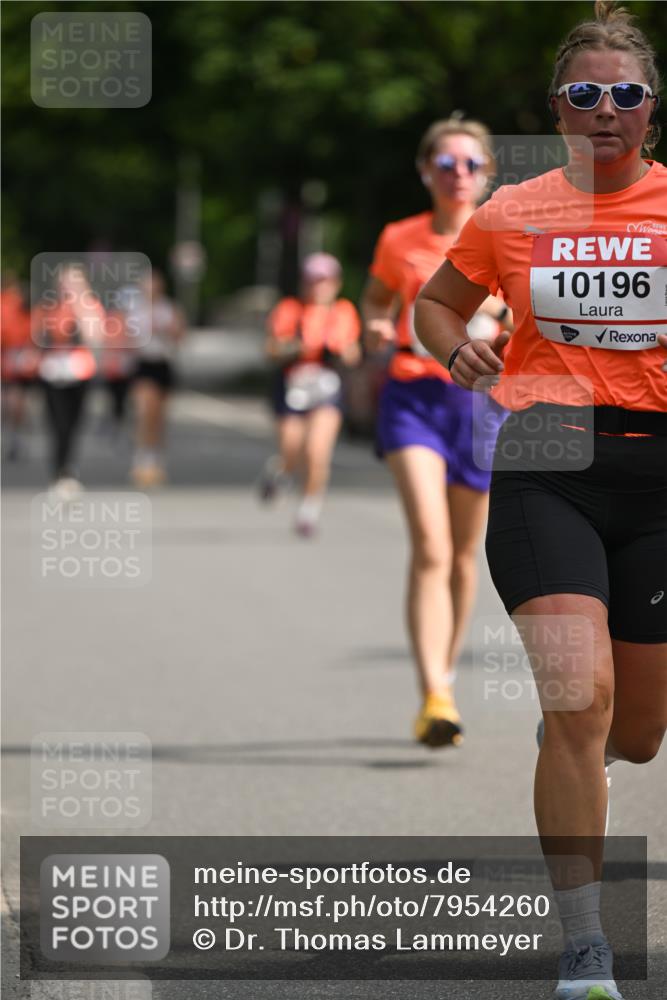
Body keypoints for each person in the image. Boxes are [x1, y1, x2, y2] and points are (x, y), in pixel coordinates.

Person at [415, 4, 666, 998]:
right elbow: (435, 301)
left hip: (662, 477)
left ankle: (578, 744)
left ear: (650, 108)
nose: (605, 111)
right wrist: (455, 345)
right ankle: (585, 944)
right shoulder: (513, 213)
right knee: (579, 698)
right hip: (548, 456)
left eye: (626, 94)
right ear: (557, 108)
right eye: (584, 94)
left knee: (635, 731)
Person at [361, 117, 511, 748]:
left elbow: (529, 309)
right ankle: (435, 694)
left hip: (480, 404)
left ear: (486, 175)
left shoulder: (510, 236)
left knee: (460, 555)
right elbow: (374, 300)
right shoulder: (399, 238)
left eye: (471, 164)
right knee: (429, 544)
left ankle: (444, 673)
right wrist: (372, 325)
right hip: (414, 398)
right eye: (446, 163)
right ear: (427, 172)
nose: (458, 175)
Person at [259, 252, 362, 537]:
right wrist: (297, 348)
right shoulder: (289, 309)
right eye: (314, 280)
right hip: (292, 386)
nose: (320, 287)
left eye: (325, 280)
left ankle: (308, 510)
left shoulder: (343, 311)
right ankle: (281, 473)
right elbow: (271, 349)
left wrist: (341, 352)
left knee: (317, 451)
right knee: (291, 449)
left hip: (326, 388)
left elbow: (353, 352)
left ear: (335, 283)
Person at [32, 264, 104, 497]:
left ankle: (67, 468)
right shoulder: (48, 308)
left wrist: (79, 308)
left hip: (79, 372)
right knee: (57, 425)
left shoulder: (90, 307)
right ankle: (60, 472)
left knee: (73, 425)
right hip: (52, 373)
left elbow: (96, 337)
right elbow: (36, 337)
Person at [127, 269, 186, 487]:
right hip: (143, 365)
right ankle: (141, 458)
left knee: (159, 416)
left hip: (163, 364)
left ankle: (156, 460)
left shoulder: (169, 309)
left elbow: (181, 337)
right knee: (145, 411)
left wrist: (168, 330)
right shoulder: (134, 310)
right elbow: (124, 337)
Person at [1, 272, 37, 460]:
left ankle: (17, 436)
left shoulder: (20, 306)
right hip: (9, 359)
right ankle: (15, 436)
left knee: (16, 402)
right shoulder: (6, 305)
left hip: (19, 360)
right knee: (12, 402)